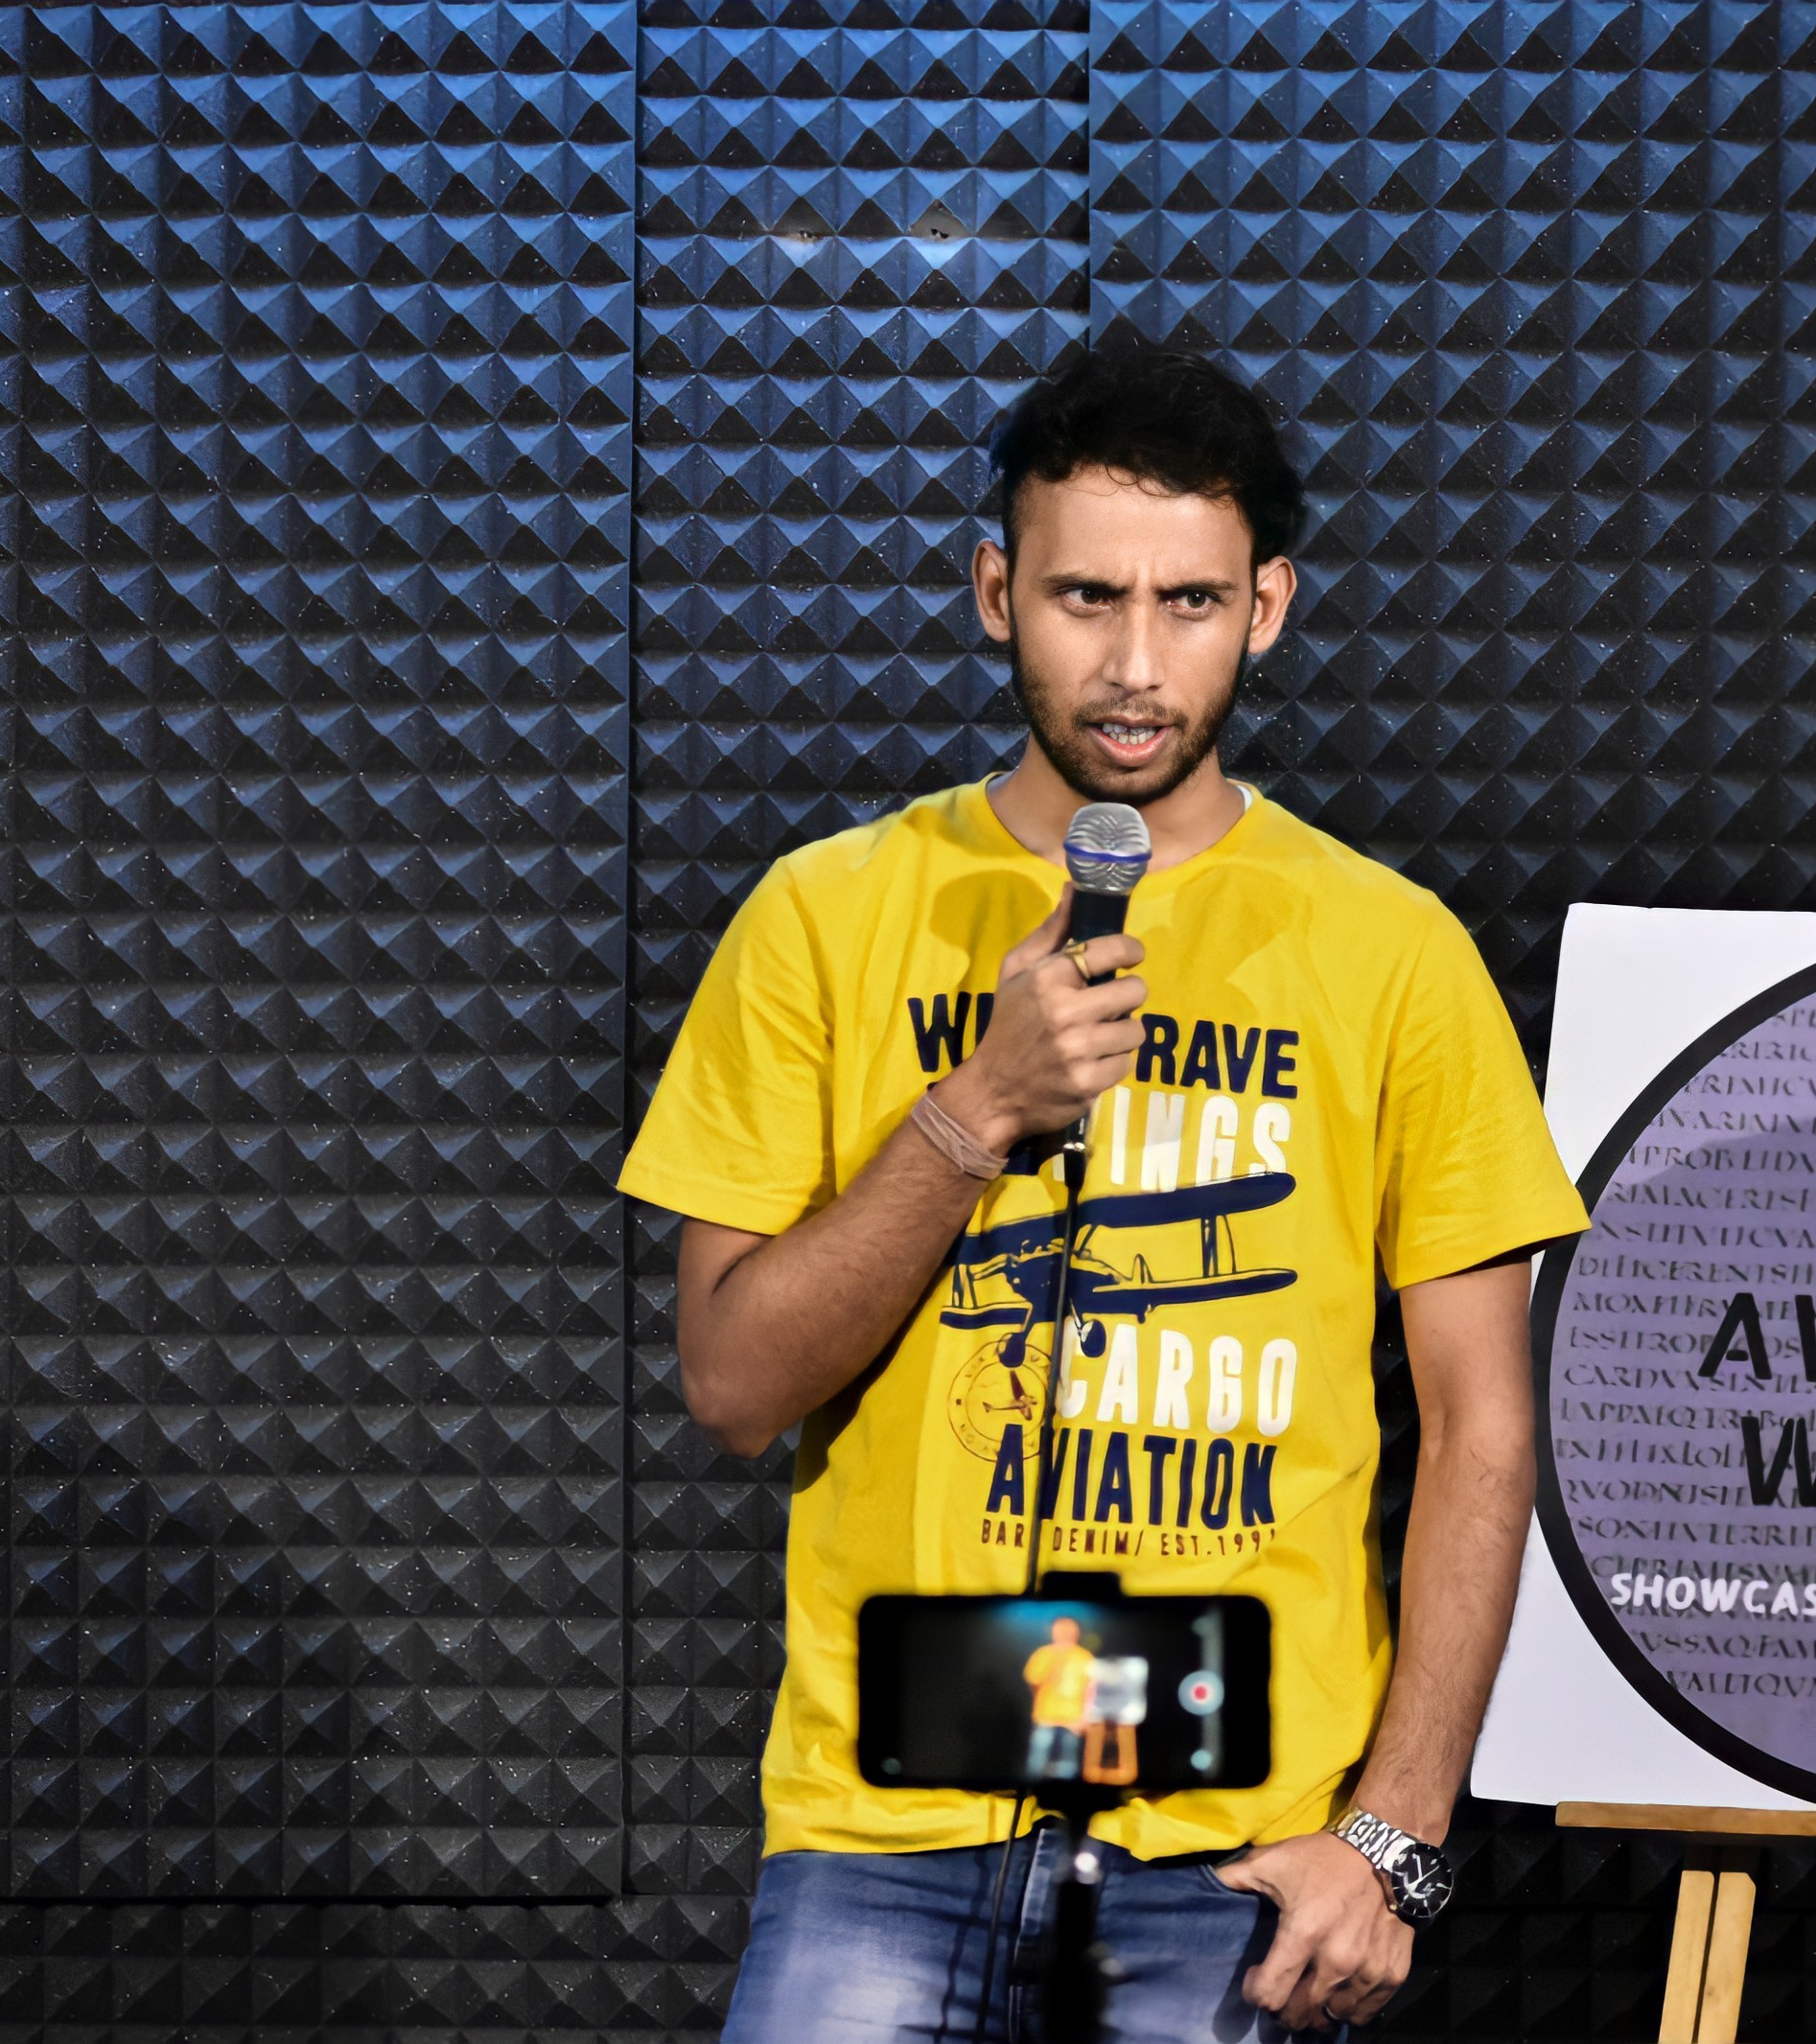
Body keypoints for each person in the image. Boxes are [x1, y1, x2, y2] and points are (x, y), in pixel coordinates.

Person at [617, 345, 1591, 2040]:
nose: (1136, 665)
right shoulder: (825, 915)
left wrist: (1395, 1842)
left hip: (1230, 1862)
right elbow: (732, 1384)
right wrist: (976, 1108)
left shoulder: (1393, 952)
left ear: (1266, 607)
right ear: (997, 592)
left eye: (1190, 602)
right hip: (882, 1842)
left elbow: (1483, 1429)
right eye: (1085, 597)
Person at [1021, 1616, 1099, 1784]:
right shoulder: (1043, 1654)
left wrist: (1087, 1717)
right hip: (1046, 1718)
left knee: (1067, 1767)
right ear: (1052, 1632)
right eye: (1060, 1630)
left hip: (1073, 1721)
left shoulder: (1084, 1656)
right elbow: (1033, 1680)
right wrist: (1055, 1660)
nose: (1065, 1633)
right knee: (1037, 1764)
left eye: (1069, 1630)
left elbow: (1092, 1689)